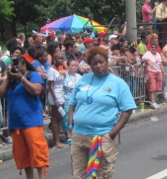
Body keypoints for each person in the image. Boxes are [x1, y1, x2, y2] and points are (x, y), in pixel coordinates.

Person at [68, 47, 136, 179]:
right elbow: (72, 103)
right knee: (79, 176)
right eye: (94, 63)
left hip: (101, 136)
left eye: (101, 62)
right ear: (90, 65)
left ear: (107, 61)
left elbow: (127, 110)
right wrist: (71, 126)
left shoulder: (118, 83)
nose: (98, 66)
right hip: (79, 136)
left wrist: (112, 134)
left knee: (100, 176)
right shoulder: (83, 79)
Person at [0, 54, 49, 179]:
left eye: (18, 66)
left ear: (24, 65)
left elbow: (36, 90)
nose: (15, 68)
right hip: (16, 124)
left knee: (38, 153)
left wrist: (22, 78)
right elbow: (0, 94)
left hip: (31, 122)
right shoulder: (11, 80)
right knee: (23, 156)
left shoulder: (33, 75)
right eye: (13, 66)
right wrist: (8, 78)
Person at [46, 52, 67, 148]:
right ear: (54, 59)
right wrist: (55, 100)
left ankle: (58, 139)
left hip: (61, 95)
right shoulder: (51, 70)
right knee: (55, 119)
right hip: (55, 96)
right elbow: (50, 86)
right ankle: (56, 141)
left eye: (62, 58)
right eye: (59, 58)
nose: (61, 60)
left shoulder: (59, 70)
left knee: (59, 118)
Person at [142, 40, 166, 109]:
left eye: (155, 47)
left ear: (157, 48)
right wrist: (148, 62)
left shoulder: (158, 54)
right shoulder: (147, 53)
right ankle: (152, 102)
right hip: (151, 71)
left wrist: (163, 72)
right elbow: (142, 59)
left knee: (157, 87)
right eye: (152, 47)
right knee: (152, 87)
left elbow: (160, 63)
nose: (153, 48)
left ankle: (154, 101)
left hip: (158, 71)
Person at [62, 60, 81, 145]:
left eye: (75, 65)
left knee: (76, 118)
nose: (74, 67)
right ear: (68, 66)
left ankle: (77, 135)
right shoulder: (64, 76)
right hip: (67, 100)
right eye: (72, 65)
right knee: (66, 118)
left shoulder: (79, 76)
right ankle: (68, 136)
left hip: (78, 100)